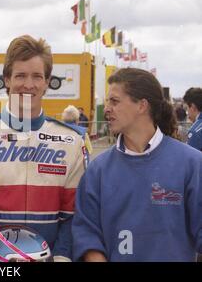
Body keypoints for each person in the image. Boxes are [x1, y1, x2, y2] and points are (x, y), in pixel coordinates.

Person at [0, 35, 87, 262]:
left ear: (47, 81)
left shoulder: (72, 140)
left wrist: (62, 258)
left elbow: (72, 216)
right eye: (20, 75)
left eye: (37, 76)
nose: (29, 84)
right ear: (7, 79)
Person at [72, 68, 202, 262]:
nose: (107, 108)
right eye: (108, 101)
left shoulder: (192, 164)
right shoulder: (97, 170)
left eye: (114, 101)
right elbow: (86, 233)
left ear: (142, 106)